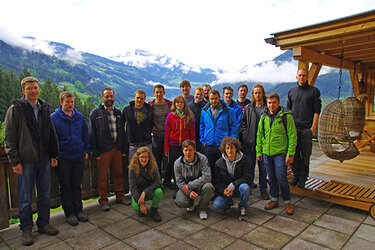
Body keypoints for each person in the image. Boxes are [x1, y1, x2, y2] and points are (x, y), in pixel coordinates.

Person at [4, 76, 59, 246]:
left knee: (44, 194)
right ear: (23, 91)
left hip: (43, 159)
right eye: (29, 88)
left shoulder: (44, 107)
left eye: (35, 88)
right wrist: (14, 161)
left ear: (39, 89)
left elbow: (51, 133)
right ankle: (27, 228)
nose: (33, 91)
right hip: (26, 160)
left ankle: (43, 223)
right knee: (26, 197)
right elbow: (9, 138)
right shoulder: (16, 109)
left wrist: (53, 155)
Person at [51, 91, 90, 226]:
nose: (70, 104)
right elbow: (51, 139)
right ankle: (69, 213)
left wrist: (85, 150)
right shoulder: (54, 118)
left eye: (72, 102)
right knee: (66, 186)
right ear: (61, 102)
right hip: (63, 157)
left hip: (78, 156)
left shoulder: (79, 117)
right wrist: (53, 156)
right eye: (67, 102)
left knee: (76, 184)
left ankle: (79, 210)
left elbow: (85, 134)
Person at [89, 88, 130, 212]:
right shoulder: (95, 113)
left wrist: (123, 148)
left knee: (118, 173)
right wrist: (95, 151)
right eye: (107, 96)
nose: (109, 99)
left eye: (111, 96)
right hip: (103, 149)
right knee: (103, 176)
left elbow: (122, 131)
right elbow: (92, 134)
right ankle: (103, 200)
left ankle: (120, 196)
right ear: (102, 97)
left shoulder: (118, 112)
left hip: (117, 148)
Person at [256, 93, 297, 215]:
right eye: (269, 102)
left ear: (278, 103)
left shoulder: (286, 116)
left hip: (280, 153)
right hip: (266, 153)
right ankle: (274, 199)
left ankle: (287, 201)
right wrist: (259, 151)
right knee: (271, 177)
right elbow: (259, 134)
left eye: (274, 102)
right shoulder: (264, 116)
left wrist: (290, 154)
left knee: (281, 177)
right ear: (266, 103)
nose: (271, 105)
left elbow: (292, 135)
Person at [287, 68, 321, 188]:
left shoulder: (314, 91)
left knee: (305, 155)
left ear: (307, 77)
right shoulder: (292, 91)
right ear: (296, 77)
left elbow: (317, 111)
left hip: (307, 129)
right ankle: (296, 175)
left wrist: (313, 128)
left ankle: (303, 178)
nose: (302, 77)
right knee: (295, 154)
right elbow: (288, 112)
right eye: (300, 75)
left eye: (304, 75)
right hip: (294, 129)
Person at [200, 89, 238, 183]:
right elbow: (202, 126)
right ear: (209, 98)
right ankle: (212, 188)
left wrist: (231, 141)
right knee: (210, 167)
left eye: (215, 98)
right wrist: (203, 140)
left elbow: (233, 126)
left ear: (219, 97)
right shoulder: (204, 111)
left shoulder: (228, 110)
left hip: (223, 145)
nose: (213, 101)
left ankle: (224, 188)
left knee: (223, 168)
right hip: (209, 144)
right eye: (211, 99)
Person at [240, 84, 270, 200]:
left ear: (263, 93)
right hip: (250, 142)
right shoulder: (249, 108)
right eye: (255, 93)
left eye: (259, 92)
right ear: (253, 94)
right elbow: (243, 123)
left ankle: (263, 190)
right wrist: (246, 136)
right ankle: (249, 187)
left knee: (263, 168)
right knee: (250, 166)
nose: (258, 95)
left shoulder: (267, 108)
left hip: (264, 143)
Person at [213, 137, 252, 221]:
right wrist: (224, 190)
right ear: (224, 149)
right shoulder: (219, 163)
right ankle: (228, 202)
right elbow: (217, 181)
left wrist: (233, 185)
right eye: (227, 148)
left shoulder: (244, 160)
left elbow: (247, 177)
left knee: (245, 188)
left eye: (232, 147)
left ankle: (243, 207)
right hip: (226, 190)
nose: (230, 150)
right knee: (217, 205)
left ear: (236, 148)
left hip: (238, 187)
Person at [174, 140, 214, 220]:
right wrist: (188, 192)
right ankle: (190, 203)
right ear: (182, 151)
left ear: (195, 150)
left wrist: (190, 185)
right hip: (186, 188)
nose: (188, 153)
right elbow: (179, 182)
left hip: (199, 185)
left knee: (209, 187)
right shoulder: (177, 163)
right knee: (180, 202)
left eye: (190, 150)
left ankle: (202, 208)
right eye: (186, 150)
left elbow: (207, 177)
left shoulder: (203, 159)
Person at [164, 96, 195, 188]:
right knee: (174, 163)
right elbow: (167, 132)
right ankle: (172, 182)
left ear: (184, 104)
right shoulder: (171, 116)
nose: (179, 104)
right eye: (177, 102)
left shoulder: (189, 115)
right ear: (174, 104)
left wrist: (193, 145)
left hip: (185, 145)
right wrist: (166, 147)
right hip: (173, 143)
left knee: (184, 163)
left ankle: (181, 182)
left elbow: (192, 132)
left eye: (181, 102)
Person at [128, 147, 163, 222]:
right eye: (142, 157)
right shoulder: (132, 168)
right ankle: (141, 207)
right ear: (137, 157)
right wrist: (141, 204)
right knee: (137, 208)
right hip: (138, 192)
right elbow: (132, 188)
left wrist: (145, 192)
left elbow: (158, 182)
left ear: (149, 157)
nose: (144, 159)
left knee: (159, 192)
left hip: (149, 190)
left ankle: (154, 209)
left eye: (146, 157)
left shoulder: (153, 165)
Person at [148, 84, 172, 178]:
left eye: (160, 92)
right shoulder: (150, 105)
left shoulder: (169, 104)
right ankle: (157, 180)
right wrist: (151, 126)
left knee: (169, 159)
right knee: (156, 160)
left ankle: (167, 180)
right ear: (154, 93)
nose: (159, 94)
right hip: (156, 136)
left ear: (164, 93)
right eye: (157, 92)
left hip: (169, 136)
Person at [123, 89, 154, 160]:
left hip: (147, 143)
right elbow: (121, 125)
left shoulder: (149, 110)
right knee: (133, 166)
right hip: (133, 144)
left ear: (145, 99)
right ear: (134, 98)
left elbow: (151, 125)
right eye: (138, 98)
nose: (139, 100)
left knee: (148, 166)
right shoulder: (127, 110)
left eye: (142, 98)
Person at [189, 87, 206, 153]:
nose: (199, 96)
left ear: (203, 96)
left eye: (201, 95)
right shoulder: (189, 106)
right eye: (197, 94)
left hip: (202, 136)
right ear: (194, 94)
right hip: (191, 135)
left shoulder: (205, 107)